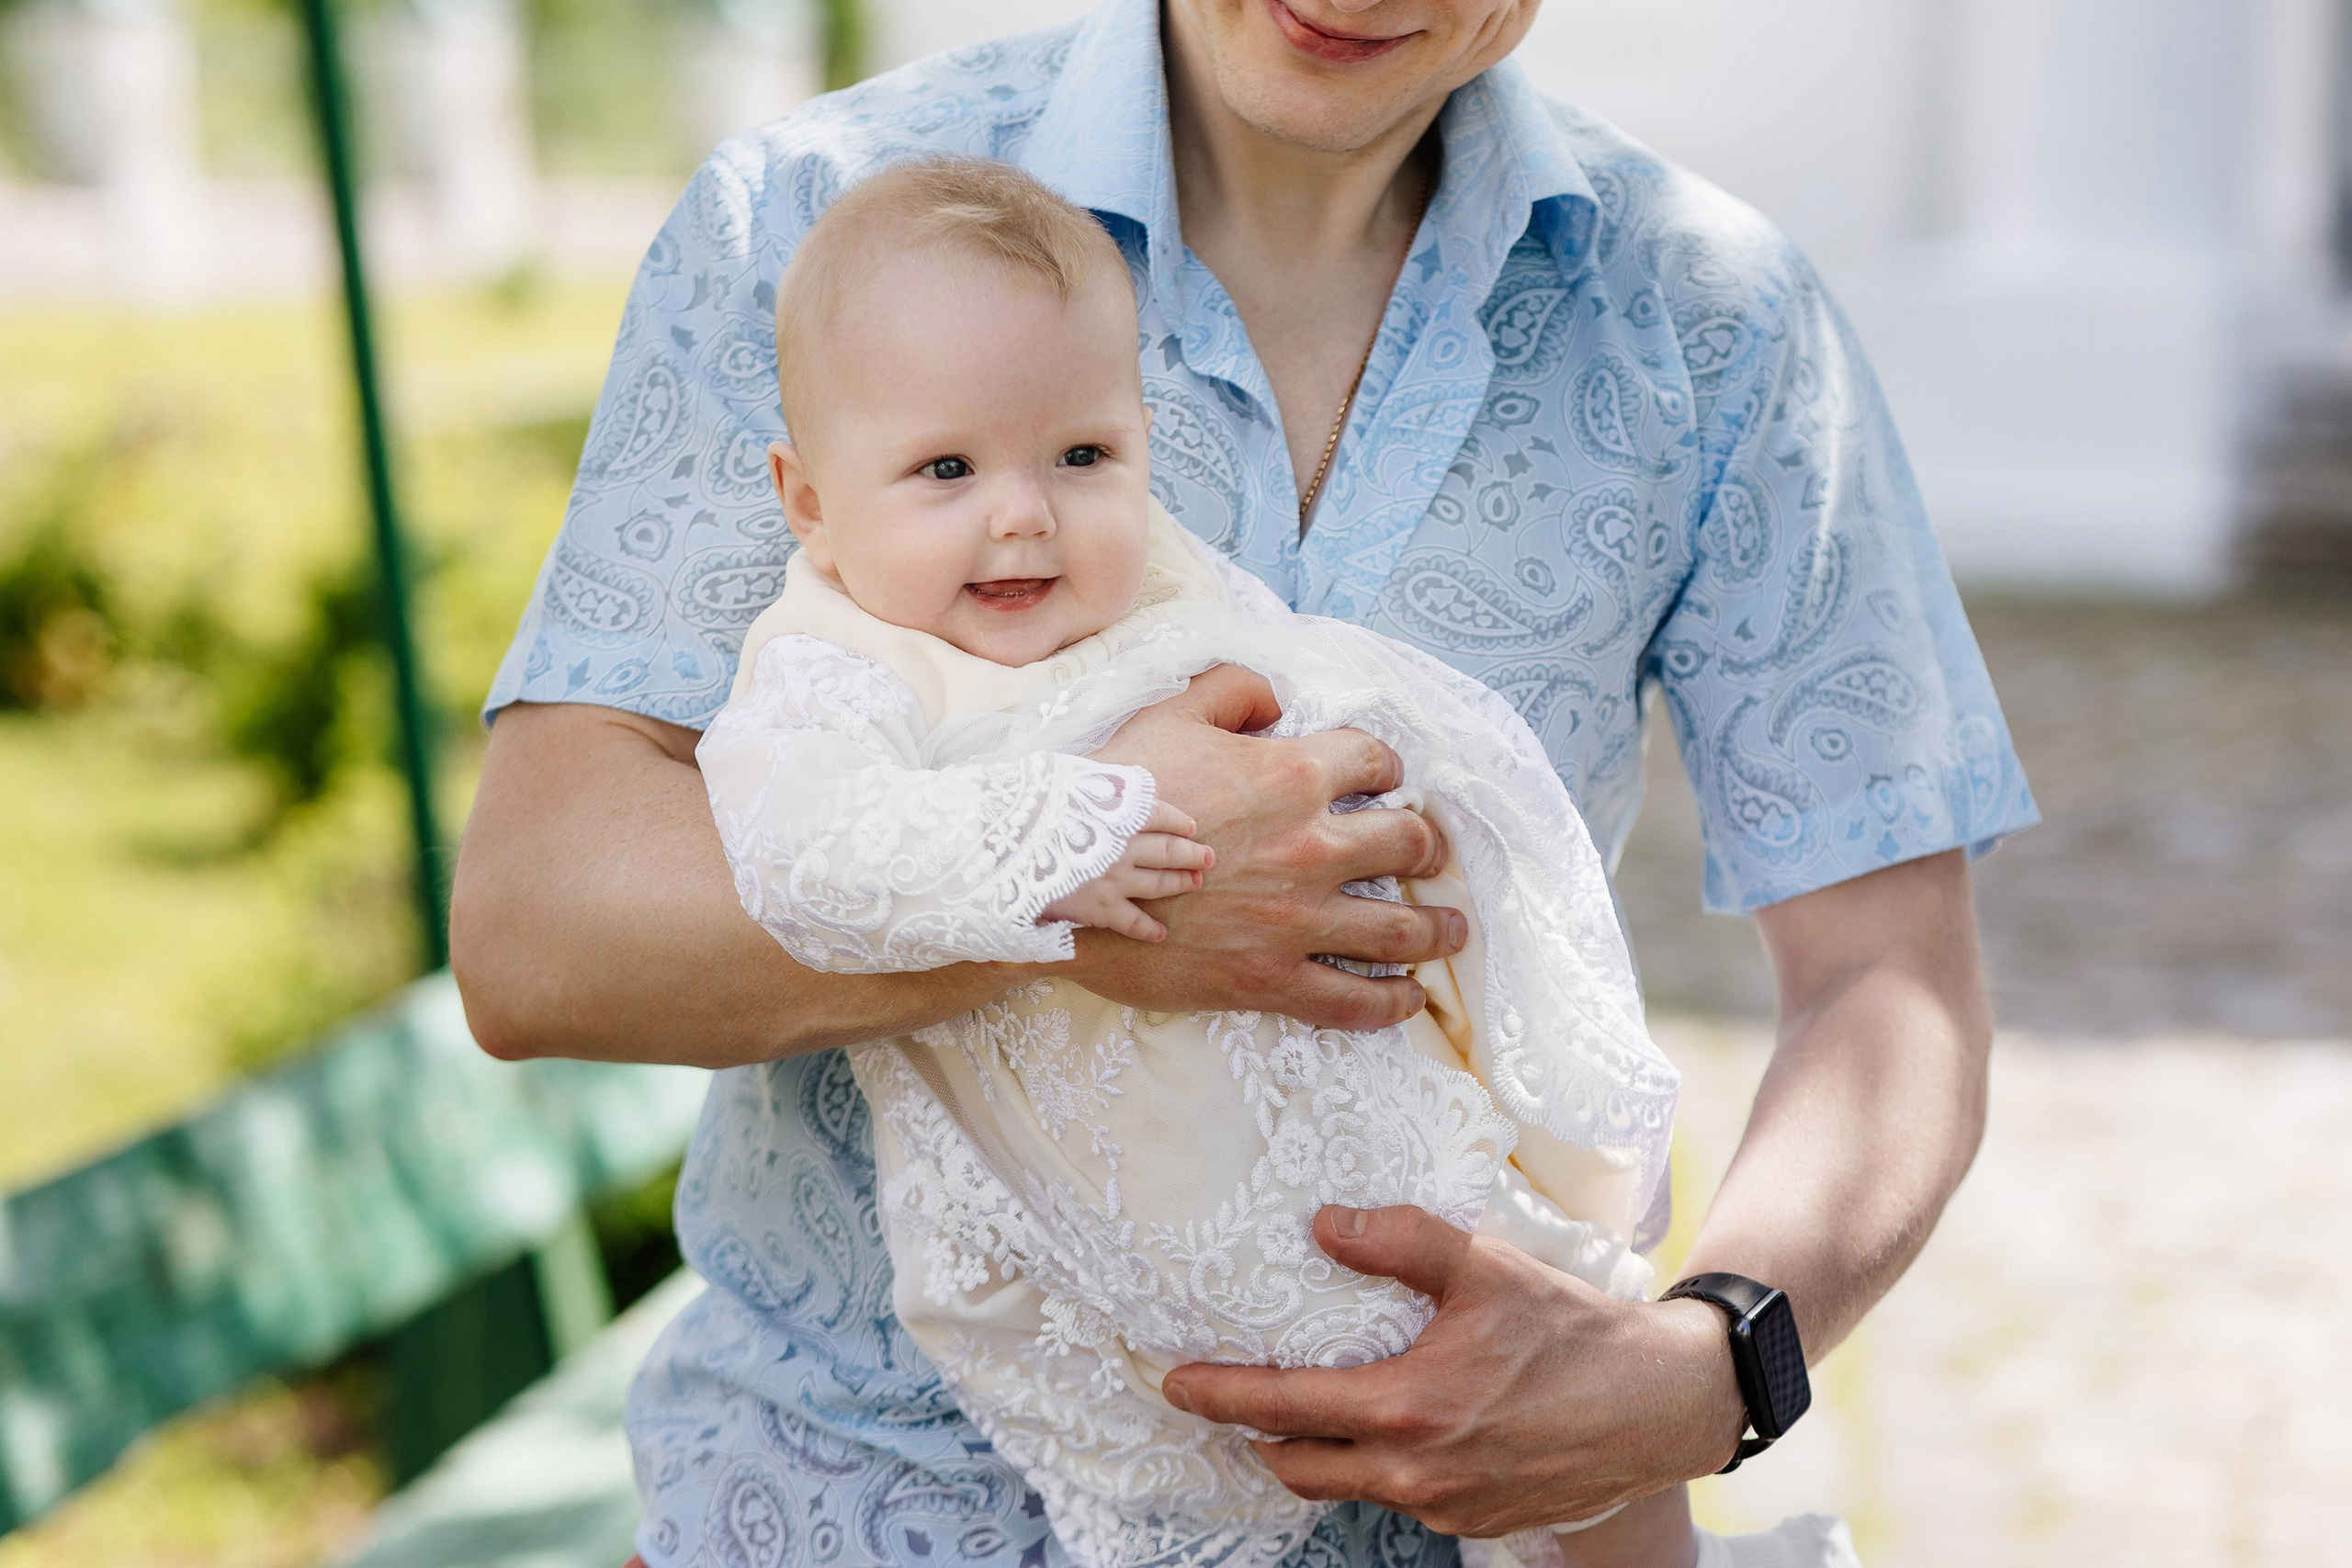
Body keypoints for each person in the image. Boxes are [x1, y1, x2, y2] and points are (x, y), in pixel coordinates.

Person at [450, 0, 2038, 1562]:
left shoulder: (1715, 323)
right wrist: (1087, 898)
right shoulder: (804, 223)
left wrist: (1700, 1371)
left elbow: (1886, 981)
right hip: (847, 1510)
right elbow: (537, 932)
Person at [690, 153, 1737, 1568]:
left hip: (1368, 1128)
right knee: (1176, 1482)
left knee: (1575, 1395)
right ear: (807, 500)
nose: (1023, 514)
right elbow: (803, 855)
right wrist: (1072, 839)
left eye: (1083, 456)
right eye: (946, 469)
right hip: (1114, 1218)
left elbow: (1285, 680)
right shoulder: (831, 666)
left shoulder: (1154, 577)